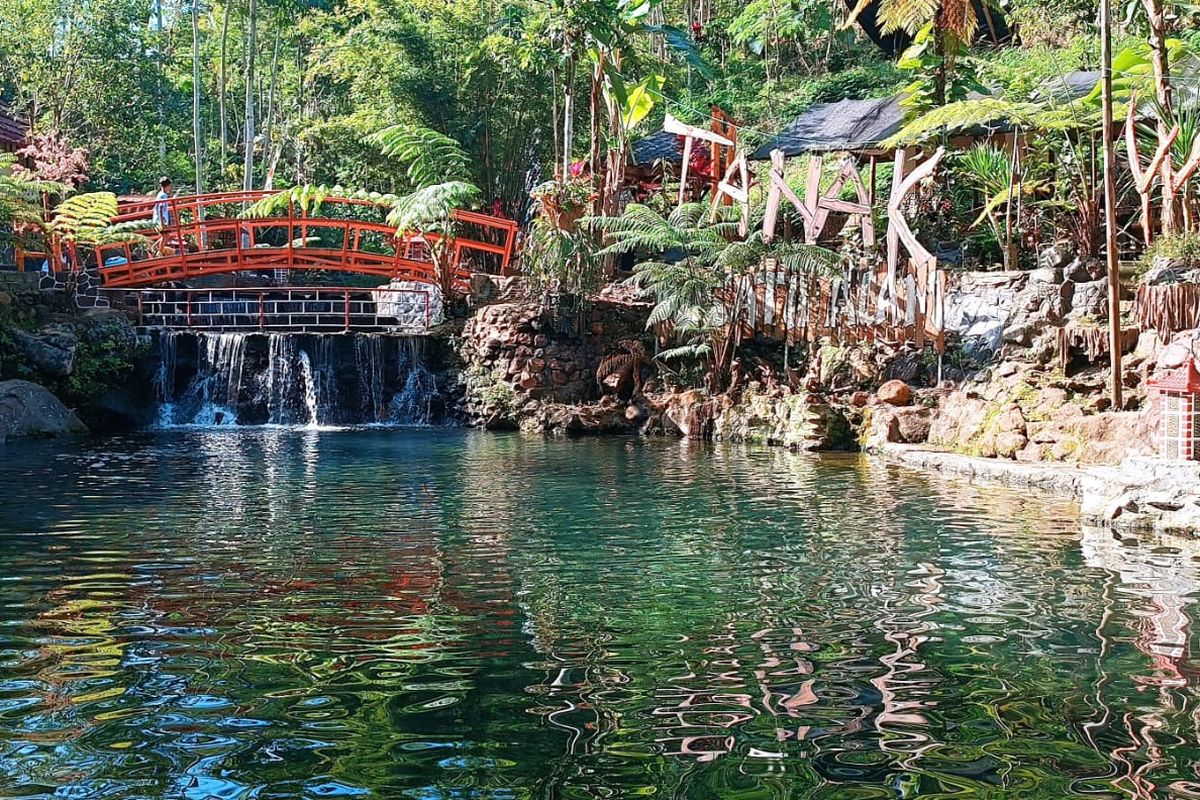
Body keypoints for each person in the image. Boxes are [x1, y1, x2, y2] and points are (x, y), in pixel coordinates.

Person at [152, 177, 174, 255]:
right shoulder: (163, 195)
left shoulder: (160, 194)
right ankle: (160, 253)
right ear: (167, 186)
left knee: (165, 235)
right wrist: (162, 222)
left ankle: (154, 247)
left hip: (159, 219)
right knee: (166, 236)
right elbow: (161, 208)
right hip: (161, 220)